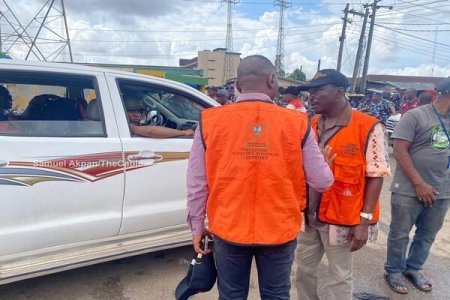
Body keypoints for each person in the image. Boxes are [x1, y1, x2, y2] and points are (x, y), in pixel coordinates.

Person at [186, 55, 334, 299]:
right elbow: (322, 181)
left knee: (231, 294)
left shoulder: (210, 121)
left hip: (228, 226)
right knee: (276, 293)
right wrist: (326, 166)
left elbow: (197, 182)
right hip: (279, 229)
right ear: (272, 79)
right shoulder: (298, 122)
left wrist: (196, 225)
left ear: (237, 85)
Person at [295, 69, 391, 300]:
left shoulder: (367, 126)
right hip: (310, 215)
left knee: (339, 276)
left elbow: (376, 175)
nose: (311, 97)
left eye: (318, 91)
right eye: (309, 92)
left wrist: (364, 222)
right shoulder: (314, 123)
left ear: (339, 92)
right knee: (303, 271)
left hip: (342, 218)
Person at [384, 77, 450, 294]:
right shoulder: (416, 115)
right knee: (400, 233)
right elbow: (400, 150)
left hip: (443, 190)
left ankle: (413, 268)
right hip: (410, 189)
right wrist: (419, 183)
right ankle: (394, 270)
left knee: (427, 234)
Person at [124, 94, 194, 138]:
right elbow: (150, 131)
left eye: (139, 111)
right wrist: (184, 132)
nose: (137, 114)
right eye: (132, 111)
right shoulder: (125, 126)